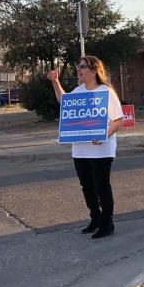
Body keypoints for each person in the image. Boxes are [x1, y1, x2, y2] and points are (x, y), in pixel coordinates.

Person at [48, 56, 125, 239]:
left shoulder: (106, 92)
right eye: (78, 67)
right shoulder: (78, 91)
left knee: (101, 186)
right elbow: (64, 101)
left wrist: (103, 135)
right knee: (87, 186)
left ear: (94, 70)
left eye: (82, 67)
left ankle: (107, 223)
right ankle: (95, 218)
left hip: (101, 149)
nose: (79, 70)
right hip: (80, 148)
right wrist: (55, 82)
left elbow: (119, 120)